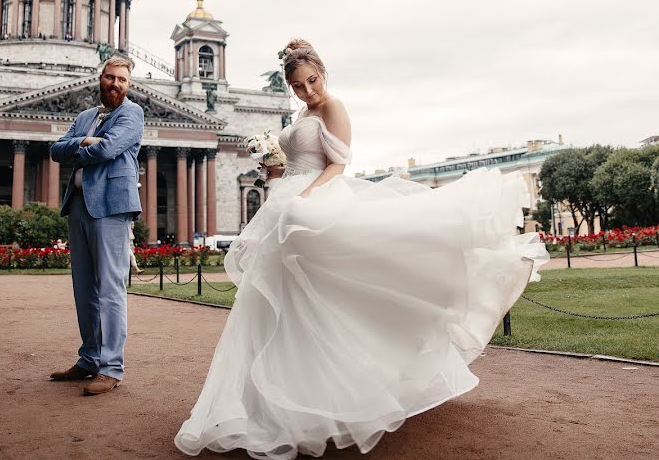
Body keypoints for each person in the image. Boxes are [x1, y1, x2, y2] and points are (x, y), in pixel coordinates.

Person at [175, 38, 549, 458]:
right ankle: (279, 403)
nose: (308, 92)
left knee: (316, 299)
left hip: (312, 201)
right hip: (289, 201)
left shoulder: (333, 107)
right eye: (299, 86)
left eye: (312, 81)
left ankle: (326, 399)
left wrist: (305, 197)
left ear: (323, 73)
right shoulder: (303, 112)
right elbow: (298, 159)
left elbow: (338, 164)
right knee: (283, 304)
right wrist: (274, 170)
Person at [48, 56, 144, 396]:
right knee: (83, 288)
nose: (115, 84)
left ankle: (112, 367)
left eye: (122, 79)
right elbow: (55, 150)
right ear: (100, 78)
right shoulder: (85, 116)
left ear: (128, 85)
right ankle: (89, 358)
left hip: (111, 208)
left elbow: (108, 151)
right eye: (110, 77)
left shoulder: (132, 113)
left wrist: (84, 147)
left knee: (110, 289)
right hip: (78, 207)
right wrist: (82, 143)